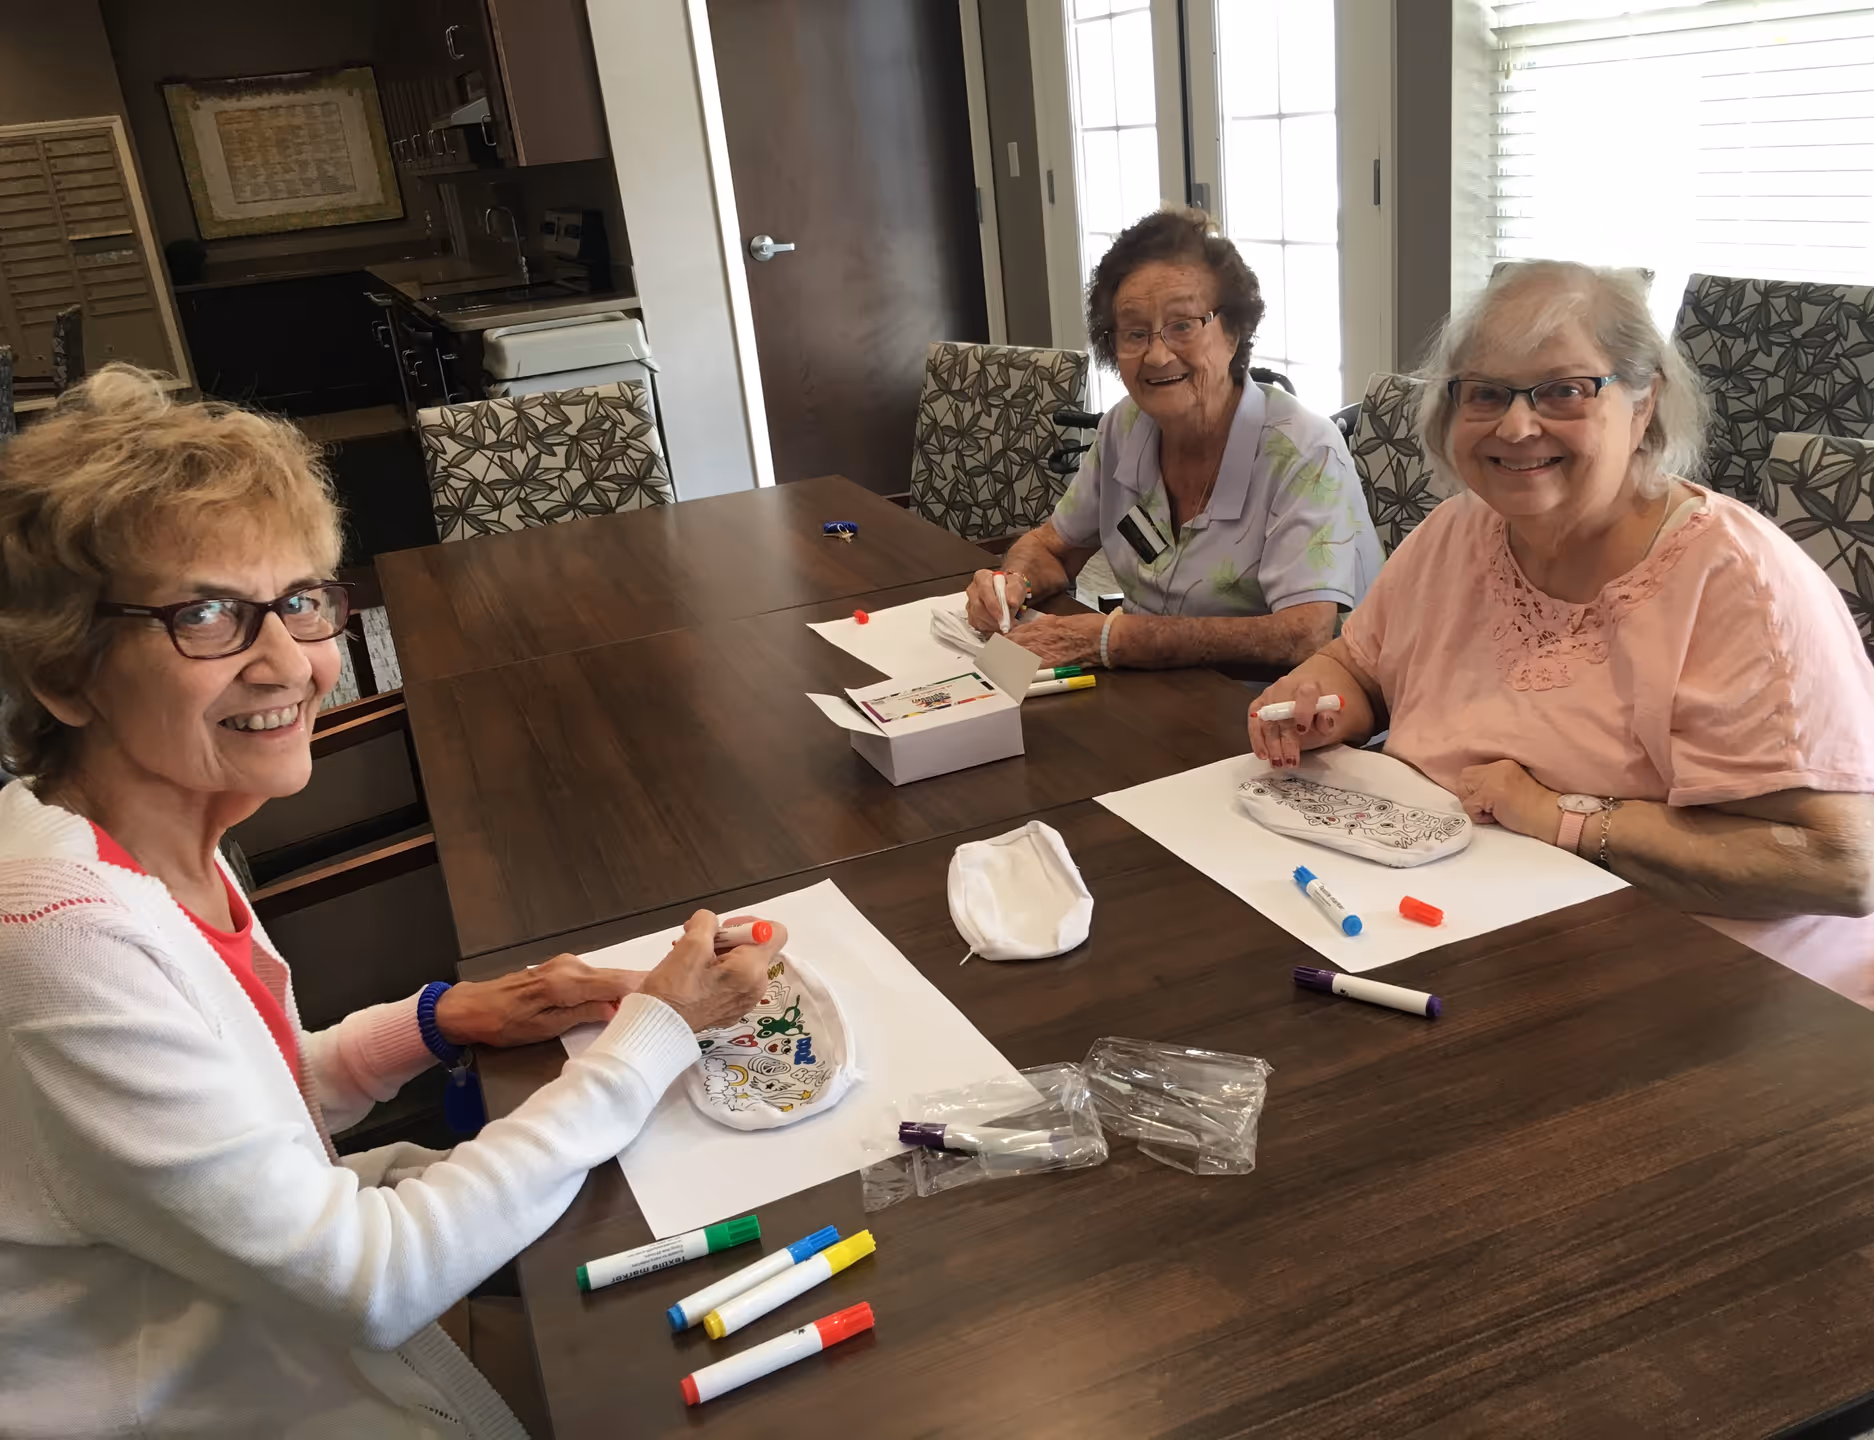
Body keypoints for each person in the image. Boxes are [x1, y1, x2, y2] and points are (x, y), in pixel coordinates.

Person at [0, 368, 779, 1438]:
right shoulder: (59, 938)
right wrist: (653, 1036)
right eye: (209, 615)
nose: (290, 663)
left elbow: (238, 1109)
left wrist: (435, 1022)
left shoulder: (151, 842)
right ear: (63, 673)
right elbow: (374, 1282)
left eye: (302, 601)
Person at [1249, 260, 1874, 1031]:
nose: (1515, 425)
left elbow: (1834, 867)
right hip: (1487, 929)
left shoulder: (1736, 582)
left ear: (1644, 404)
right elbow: (1360, 665)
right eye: (1486, 392)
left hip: (1748, 988)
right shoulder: (1458, 531)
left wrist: (1553, 814)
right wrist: (1317, 698)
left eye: (1564, 390)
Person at [964, 207, 1380, 671]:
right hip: (1159, 700)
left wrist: (1116, 640)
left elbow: (1301, 636)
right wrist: (1010, 580)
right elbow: (1052, 546)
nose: (1158, 354)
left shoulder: (1304, 451)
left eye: (1183, 325)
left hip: (1286, 717)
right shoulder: (1124, 427)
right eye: (1134, 333)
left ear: (1233, 332)